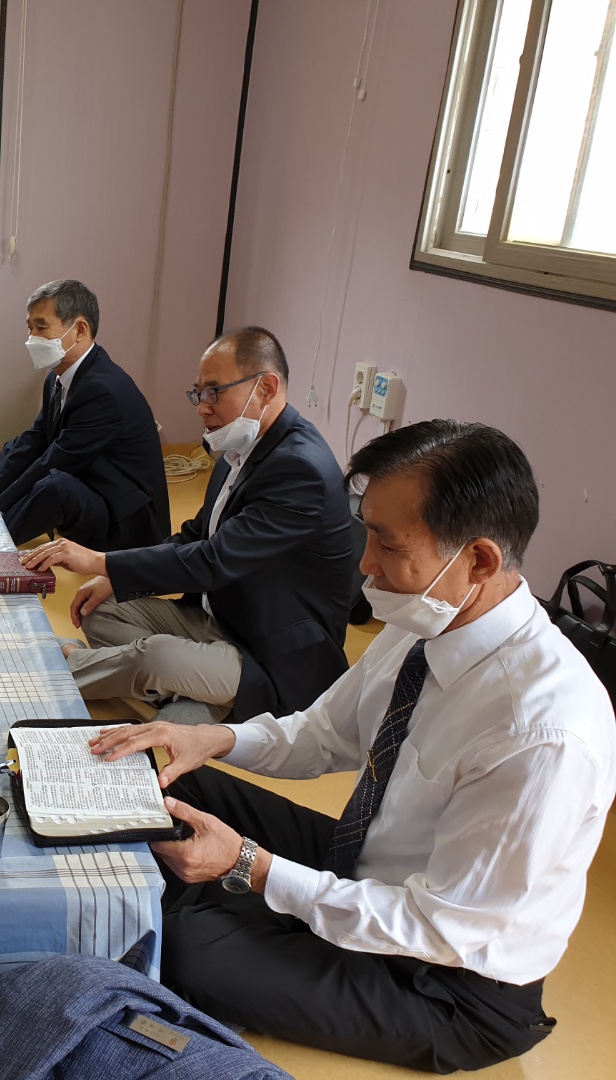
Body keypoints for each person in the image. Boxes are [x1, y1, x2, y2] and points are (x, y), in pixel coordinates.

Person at [88, 420, 615, 1073]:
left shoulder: (542, 733)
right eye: (367, 532)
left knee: (187, 943)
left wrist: (252, 866)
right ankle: (200, 900)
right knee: (170, 776)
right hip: (364, 863)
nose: (366, 563)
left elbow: (438, 926)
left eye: (387, 543)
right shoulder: (426, 618)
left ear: (477, 560)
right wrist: (208, 737)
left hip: (447, 981)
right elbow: (322, 733)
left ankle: (205, 913)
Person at [23, 327, 351, 723]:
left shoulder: (300, 469)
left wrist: (100, 561)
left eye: (214, 392)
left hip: (268, 654)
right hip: (218, 619)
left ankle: (48, 671)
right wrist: (115, 576)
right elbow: (196, 535)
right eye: (198, 393)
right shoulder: (240, 448)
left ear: (265, 388)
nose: (202, 408)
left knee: (157, 656)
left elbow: (213, 560)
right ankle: (194, 694)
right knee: (101, 607)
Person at [0, 279, 168, 552]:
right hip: (97, 491)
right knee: (14, 447)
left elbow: (58, 458)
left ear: (80, 330)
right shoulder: (57, 377)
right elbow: (37, 438)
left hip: (128, 525)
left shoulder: (103, 390)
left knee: (56, 487)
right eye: (30, 328)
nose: (32, 338)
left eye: (41, 327)